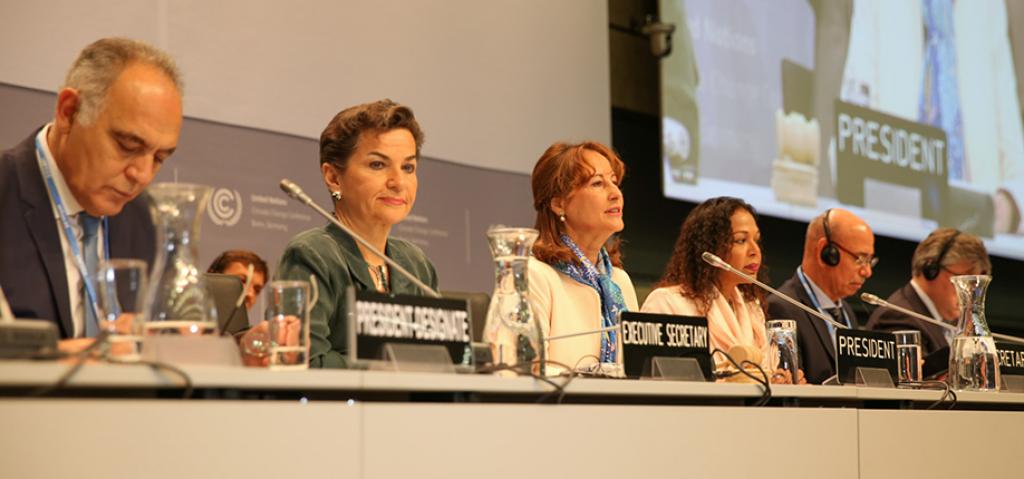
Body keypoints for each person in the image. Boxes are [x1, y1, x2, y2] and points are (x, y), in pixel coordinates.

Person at [0, 38, 182, 349]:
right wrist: (71, 358)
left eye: (159, 158)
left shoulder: (149, 221)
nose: (142, 174)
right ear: (69, 112)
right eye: (128, 146)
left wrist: (245, 345)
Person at [274, 99, 437, 368]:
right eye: (377, 165)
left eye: (408, 167)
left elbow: (440, 362)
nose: (398, 182)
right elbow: (305, 363)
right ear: (333, 177)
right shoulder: (312, 255)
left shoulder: (416, 265)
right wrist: (393, 366)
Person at [642, 197, 804, 384]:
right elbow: (657, 382)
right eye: (741, 240)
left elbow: (767, 375)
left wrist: (781, 380)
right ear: (710, 248)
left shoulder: (753, 311)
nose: (755, 251)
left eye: (756, 240)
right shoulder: (668, 303)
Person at [527, 141, 638, 373]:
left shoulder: (620, 281)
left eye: (614, 183)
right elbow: (527, 370)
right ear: (559, 203)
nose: (615, 194)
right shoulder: (535, 275)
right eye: (597, 183)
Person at [767, 208, 876, 384]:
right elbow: (789, 389)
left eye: (870, 261)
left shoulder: (846, 312)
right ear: (825, 252)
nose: (867, 271)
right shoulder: (782, 308)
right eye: (860, 259)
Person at [866, 228, 990, 356]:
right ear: (931, 270)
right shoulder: (899, 318)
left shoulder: (954, 323)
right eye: (963, 281)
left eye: (973, 285)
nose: (970, 293)